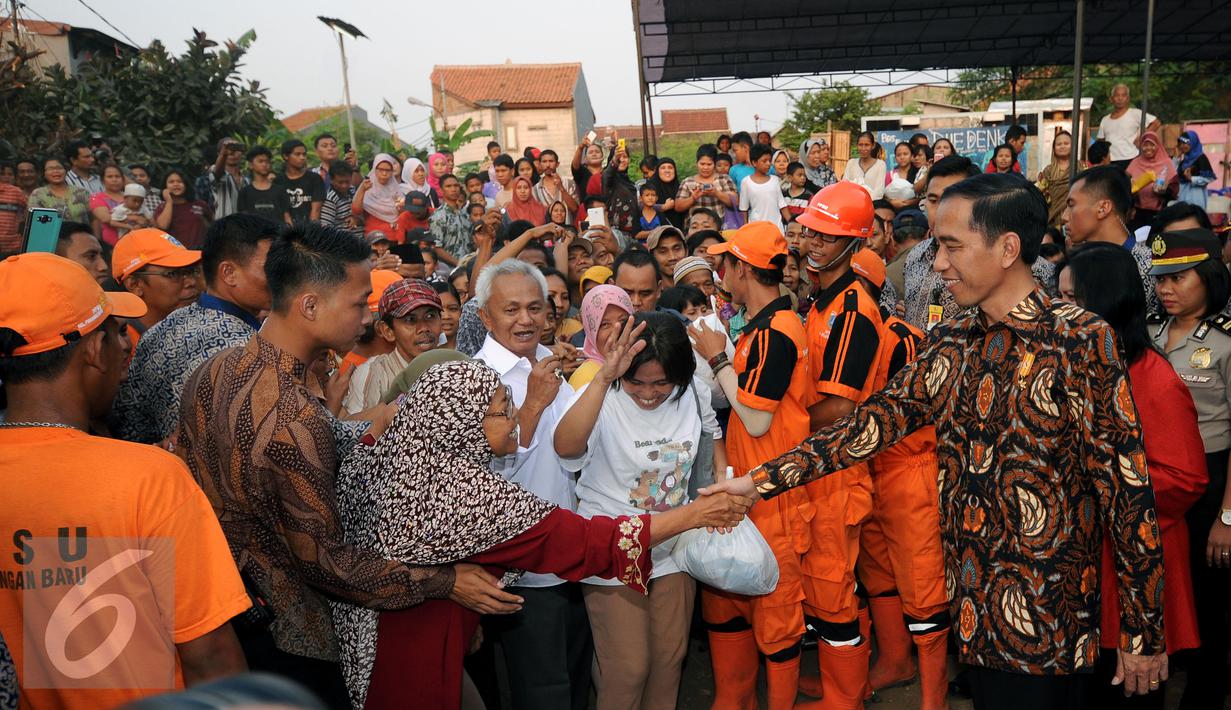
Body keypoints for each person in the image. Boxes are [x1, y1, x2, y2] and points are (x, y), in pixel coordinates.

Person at [706, 173, 1168, 709]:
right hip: (972, 617)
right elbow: (867, 428)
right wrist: (757, 483)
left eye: (951, 246)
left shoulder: (1081, 340)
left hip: (1051, 624)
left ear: (1007, 248)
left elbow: (1126, 492)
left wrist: (1142, 634)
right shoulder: (952, 341)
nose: (938, 263)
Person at [177, 223, 511, 706]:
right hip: (295, 645)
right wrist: (448, 581)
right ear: (310, 305)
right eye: (358, 303)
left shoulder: (213, 370)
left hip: (229, 620)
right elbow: (331, 566)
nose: (365, 316)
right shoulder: (293, 418)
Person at [332, 358, 751, 709]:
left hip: (383, 644)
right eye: (500, 409)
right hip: (409, 660)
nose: (514, 417)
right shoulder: (464, 494)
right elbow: (591, 542)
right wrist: (697, 513)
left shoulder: (384, 455)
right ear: (460, 422)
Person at [0, 252, 249, 709]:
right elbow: (211, 658)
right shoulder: (149, 478)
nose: (127, 345)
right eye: (116, 333)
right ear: (93, 351)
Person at [555, 312, 724, 709]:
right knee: (628, 668)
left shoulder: (694, 392)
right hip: (611, 545)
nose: (649, 394)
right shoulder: (602, 396)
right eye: (637, 382)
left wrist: (721, 482)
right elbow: (565, 447)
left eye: (661, 383)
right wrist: (602, 377)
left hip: (674, 543)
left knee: (669, 661)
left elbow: (712, 438)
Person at [1063, 242, 1205, 709]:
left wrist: (1093, 485)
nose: (1058, 311)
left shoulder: (1154, 378)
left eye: (1071, 300)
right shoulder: (1075, 364)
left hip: (1133, 562)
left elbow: (1184, 479)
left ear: (1103, 303)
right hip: (1084, 559)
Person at [688, 222, 817, 710]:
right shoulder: (765, 324)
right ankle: (733, 699)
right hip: (751, 485)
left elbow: (758, 419)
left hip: (773, 491)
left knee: (778, 612)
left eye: (725, 263)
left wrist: (716, 355)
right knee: (729, 601)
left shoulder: (776, 330)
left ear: (743, 268)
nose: (721, 273)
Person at [469, 259, 592, 709]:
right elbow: (481, 478)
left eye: (535, 308)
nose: (526, 319)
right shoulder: (475, 380)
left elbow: (577, 452)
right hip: (522, 567)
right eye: (512, 309)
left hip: (575, 551)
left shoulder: (554, 362)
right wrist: (534, 406)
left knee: (577, 678)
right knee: (542, 690)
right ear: (485, 317)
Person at [847, 249, 950, 709]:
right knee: (877, 571)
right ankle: (895, 661)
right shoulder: (837, 327)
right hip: (867, 468)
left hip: (910, 467)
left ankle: (934, 697)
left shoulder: (902, 337)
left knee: (922, 581)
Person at [794, 182, 884, 705]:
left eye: (828, 235)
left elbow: (841, 406)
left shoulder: (852, 309)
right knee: (830, 584)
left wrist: (781, 432)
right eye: (811, 230)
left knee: (831, 589)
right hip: (821, 466)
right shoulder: (822, 300)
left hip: (838, 470)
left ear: (853, 244)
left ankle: (844, 696)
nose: (813, 242)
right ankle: (842, 682)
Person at [1146, 228, 1231, 709]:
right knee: (1164, 595)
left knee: (1207, 603)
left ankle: (1205, 695)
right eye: (1160, 279)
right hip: (1159, 479)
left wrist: (1227, 517)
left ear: (1209, 276)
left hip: (1211, 481)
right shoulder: (1151, 331)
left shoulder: (1225, 342)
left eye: (1179, 278)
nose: (1166, 288)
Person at [112, 215, 277, 445]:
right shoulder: (238, 347)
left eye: (190, 271)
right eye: (173, 273)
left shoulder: (160, 330)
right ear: (228, 273)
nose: (188, 281)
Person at [1062, 165, 1158, 314]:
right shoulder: (1074, 263)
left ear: (1103, 208)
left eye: (1071, 205)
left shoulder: (1148, 268)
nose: (1064, 217)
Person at [343, 278, 442, 414]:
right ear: (387, 331)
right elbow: (358, 431)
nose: (424, 328)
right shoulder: (373, 374)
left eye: (430, 316)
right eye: (410, 320)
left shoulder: (458, 368)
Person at [112, 228, 202, 348]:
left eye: (191, 271)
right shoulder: (124, 348)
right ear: (135, 285)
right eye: (172, 274)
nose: (191, 282)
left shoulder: (200, 326)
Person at [1097, 84, 1161, 165]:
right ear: (1111, 99)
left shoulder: (1135, 113)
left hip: (1131, 158)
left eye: (1123, 95)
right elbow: (1100, 141)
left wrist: (1142, 137)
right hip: (1110, 160)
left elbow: (1156, 123)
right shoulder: (1105, 120)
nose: (1120, 98)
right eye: (1117, 95)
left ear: (1128, 99)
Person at [674, 145, 739, 222]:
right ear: (696, 163)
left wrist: (716, 193)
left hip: (721, 228)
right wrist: (693, 198)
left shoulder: (724, 179)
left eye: (709, 164)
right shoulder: (687, 182)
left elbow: (736, 202)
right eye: (702, 164)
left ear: (714, 164)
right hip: (695, 229)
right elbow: (677, 207)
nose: (705, 168)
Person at [1125, 132, 1176, 230]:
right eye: (1145, 145)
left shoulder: (1167, 163)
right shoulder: (1135, 163)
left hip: (1160, 213)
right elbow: (1125, 183)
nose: (1148, 148)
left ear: (1158, 146)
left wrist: (1163, 191)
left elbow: (1174, 189)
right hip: (1138, 213)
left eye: (1152, 144)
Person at [1037, 129, 1083, 227]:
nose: (1062, 146)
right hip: (1052, 217)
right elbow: (1041, 194)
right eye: (1059, 144)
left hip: (1076, 214)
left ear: (1073, 146)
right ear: (1054, 148)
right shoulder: (1048, 170)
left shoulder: (1081, 167)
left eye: (1066, 143)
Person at [154, 169, 211, 249]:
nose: (176, 184)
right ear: (165, 187)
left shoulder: (200, 204)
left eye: (180, 181)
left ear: (186, 184)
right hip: (174, 253)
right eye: (171, 182)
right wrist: (169, 202)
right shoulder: (162, 207)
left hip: (199, 252)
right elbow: (163, 226)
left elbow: (211, 224)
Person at [740, 144, 791, 232]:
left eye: (769, 160)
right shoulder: (746, 182)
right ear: (754, 163)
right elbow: (744, 209)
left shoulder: (775, 180)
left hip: (776, 229)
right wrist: (745, 230)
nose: (768, 164)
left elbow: (782, 205)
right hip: (756, 230)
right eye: (764, 161)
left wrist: (792, 224)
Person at [353, 153, 404, 239]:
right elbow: (356, 211)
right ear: (374, 169)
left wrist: (401, 208)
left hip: (395, 237)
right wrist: (362, 190)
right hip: (374, 238)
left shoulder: (396, 190)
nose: (384, 173)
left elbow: (402, 215)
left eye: (388, 170)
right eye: (380, 169)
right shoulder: (367, 187)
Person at [237, 146, 291, 225]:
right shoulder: (244, 192)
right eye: (260, 161)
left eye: (267, 161)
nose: (265, 164)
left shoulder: (280, 190)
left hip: (277, 235)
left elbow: (287, 217)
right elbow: (243, 220)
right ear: (251, 165)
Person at [28, 157, 90, 223]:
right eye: (51, 169)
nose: (56, 171)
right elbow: (36, 221)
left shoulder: (82, 192)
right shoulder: (37, 194)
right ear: (44, 173)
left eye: (59, 168)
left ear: (65, 170)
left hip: (82, 232)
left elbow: (93, 218)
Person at [276, 139, 325, 223]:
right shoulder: (278, 181)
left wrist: (310, 231)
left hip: (311, 230)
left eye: (304, 154)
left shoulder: (315, 179)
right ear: (285, 156)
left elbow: (316, 211)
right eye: (297, 154)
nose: (302, 157)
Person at [204, 138, 248, 220]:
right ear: (219, 154)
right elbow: (217, 173)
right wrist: (224, 154)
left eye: (235, 149)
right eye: (228, 150)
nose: (232, 153)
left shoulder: (246, 179)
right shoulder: (215, 170)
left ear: (241, 153)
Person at [533, 149, 580, 223]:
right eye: (544, 162)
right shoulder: (535, 189)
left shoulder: (568, 183)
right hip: (546, 231)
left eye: (551, 161)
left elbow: (575, 208)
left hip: (568, 230)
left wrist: (561, 188)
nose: (548, 165)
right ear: (540, 164)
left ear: (557, 164)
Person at [602, 148, 639, 236]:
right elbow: (607, 176)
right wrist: (615, 160)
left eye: (625, 157)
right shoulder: (610, 181)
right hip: (616, 234)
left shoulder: (631, 184)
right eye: (618, 157)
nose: (621, 160)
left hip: (633, 233)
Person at [1175, 130, 1215, 210]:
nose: (1182, 146)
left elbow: (1208, 178)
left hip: (1196, 197)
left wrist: (1191, 179)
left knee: (1194, 219)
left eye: (1186, 143)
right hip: (1183, 197)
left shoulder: (1201, 158)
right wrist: (1177, 158)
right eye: (1181, 143)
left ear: (1193, 142)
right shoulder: (1184, 161)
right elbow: (1174, 174)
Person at [89, 163, 127, 246]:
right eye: (110, 177)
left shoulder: (130, 196)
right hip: (111, 244)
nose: (114, 179)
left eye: (117, 176)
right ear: (102, 180)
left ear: (123, 179)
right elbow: (105, 218)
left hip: (134, 240)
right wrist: (134, 217)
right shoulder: (96, 197)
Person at [843, 131, 887, 199]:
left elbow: (879, 192)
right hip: (851, 203)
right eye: (860, 145)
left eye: (867, 145)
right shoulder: (851, 163)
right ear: (857, 145)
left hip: (873, 205)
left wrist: (864, 202)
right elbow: (845, 186)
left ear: (873, 146)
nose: (863, 148)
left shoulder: (880, 165)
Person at [319, 161, 359, 234]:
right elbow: (326, 228)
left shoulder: (353, 191)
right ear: (331, 180)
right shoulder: (330, 199)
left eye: (347, 182)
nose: (344, 185)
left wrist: (356, 219)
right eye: (340, 182)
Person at [648, 157, 683, 228]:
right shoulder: (649, 187)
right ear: (658, 171)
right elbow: (641, 207)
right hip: (656, 231)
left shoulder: (681, 187)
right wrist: (663, 207)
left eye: (670, 168)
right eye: (663, 168)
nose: (667, 171)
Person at [0, 166, 26, 255]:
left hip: (11, 247)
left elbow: (26, 214)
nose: (6, 177)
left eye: (10, 174)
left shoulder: (16, 192)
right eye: (2, 174)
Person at [571, 137, 606, 202]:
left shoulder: (607, 172)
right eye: (590, 152)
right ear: (585, 159)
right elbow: (575, 165)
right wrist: (581, 147)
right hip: (587, 210)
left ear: (602, 156)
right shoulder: (582, 173)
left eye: (597, 152)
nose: (594, 154)